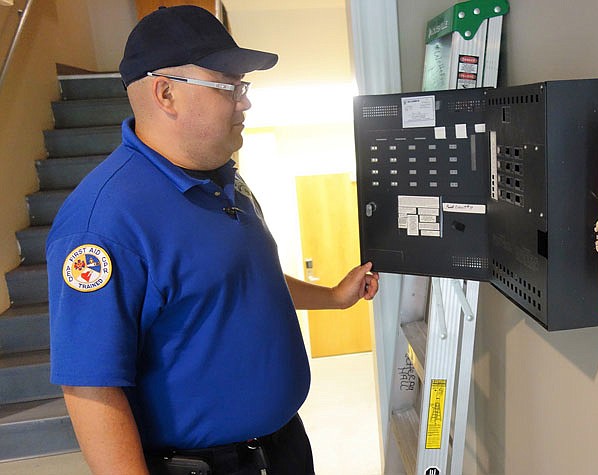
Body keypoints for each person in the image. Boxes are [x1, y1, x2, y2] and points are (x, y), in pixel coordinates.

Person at [46, 5, 379, 475]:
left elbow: (240, 281)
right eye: (230, 86)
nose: (245, 101)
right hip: (208, 466)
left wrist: (331, 298)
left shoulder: (224, 179)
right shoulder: (104, 222)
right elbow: (90, 387)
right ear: (166, 93)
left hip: (284, 448)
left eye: (243, 87)